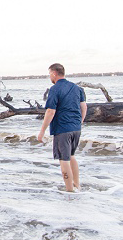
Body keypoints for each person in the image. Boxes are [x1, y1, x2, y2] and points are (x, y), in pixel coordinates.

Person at [36, 63, 87, 192]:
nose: (49, 77)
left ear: (54, 73)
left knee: (64, 159)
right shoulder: (77, 88)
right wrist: (80, 121)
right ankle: (77, 185)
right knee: (71, 155)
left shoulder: (55, 89)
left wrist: (42, 131)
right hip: (76, 128)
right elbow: (84, 107)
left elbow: (50, 111)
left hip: (62, 129)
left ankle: (69, 191)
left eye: (49, 74)